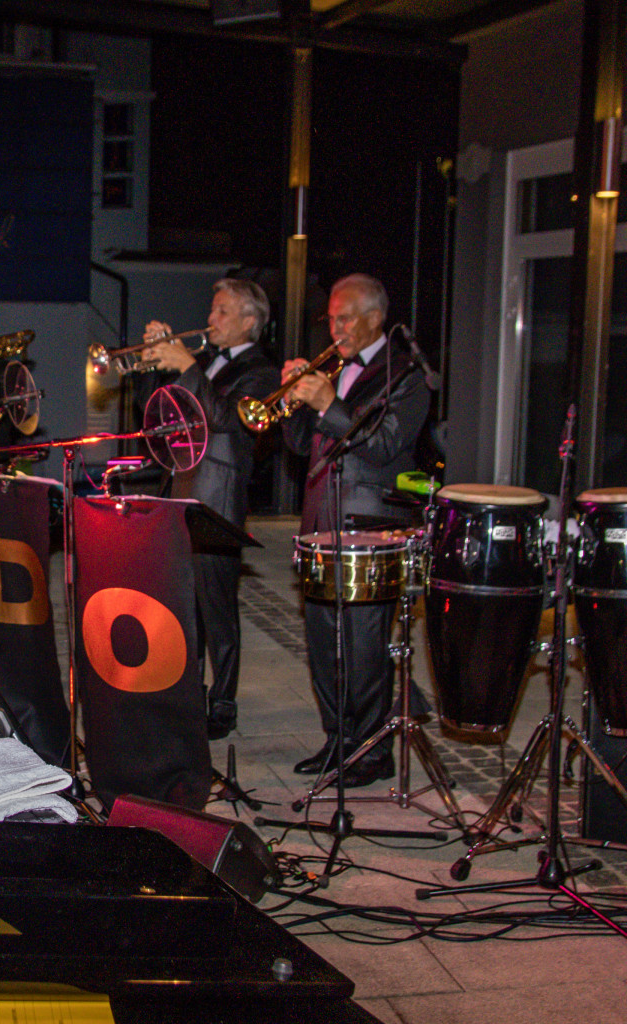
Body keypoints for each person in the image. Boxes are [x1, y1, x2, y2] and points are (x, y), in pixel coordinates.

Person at [281, 273, 430, 788]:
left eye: (345, 318)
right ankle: (338, 741)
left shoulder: (406, 374)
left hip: (370, 527)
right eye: (331, 319)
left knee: (364, 646)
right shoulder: (336, 370)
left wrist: (328, 404)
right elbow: (301, 445)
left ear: (375, 318)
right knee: (323, 641)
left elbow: (385, 444)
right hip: (321, 521)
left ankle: (371, 751)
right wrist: (295, 403)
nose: (336, 329)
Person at [143, 278, 280, 740]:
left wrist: (186, 364)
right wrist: (158, 366)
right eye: (213, 309)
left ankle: (223, 702)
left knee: (217, 607)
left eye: (222, 311)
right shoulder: (206, 364)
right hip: (181, 487)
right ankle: (187, 693)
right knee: (183, 603)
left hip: (218, 496)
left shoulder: (262, 371)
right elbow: (163, 416)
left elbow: (223, 418)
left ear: (249, 320)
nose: (210, 319)